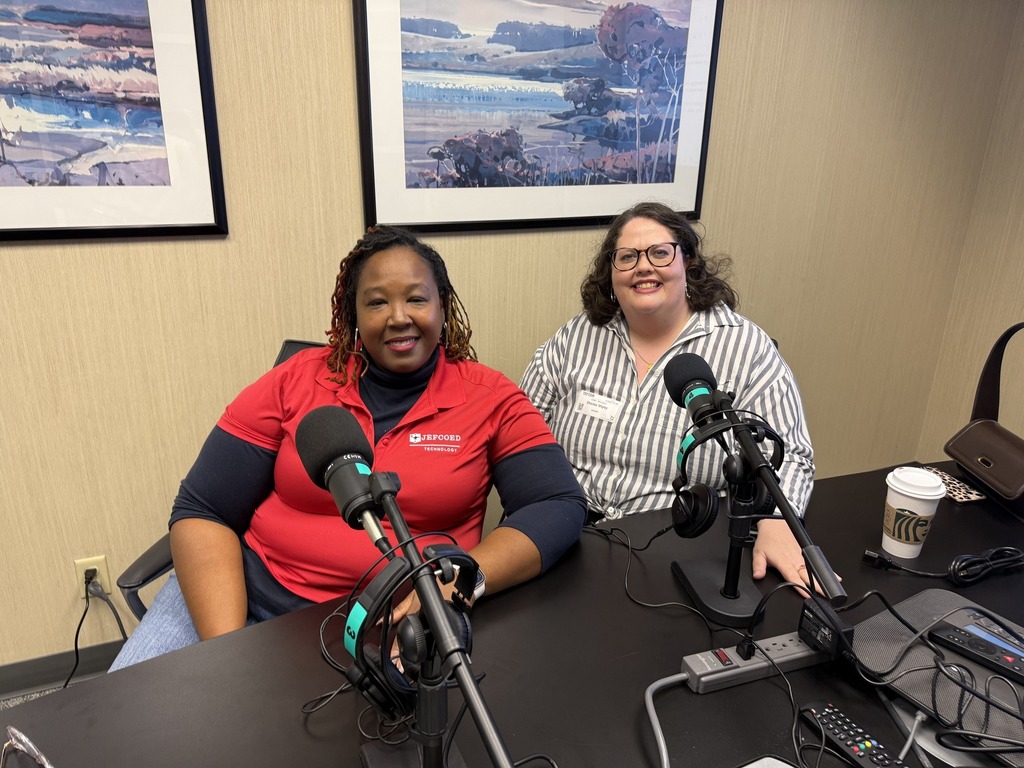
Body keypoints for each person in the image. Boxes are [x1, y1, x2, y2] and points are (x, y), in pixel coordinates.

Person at [111, 225, 586, 670]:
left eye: (417, 299)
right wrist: (228, 652)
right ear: (352, 315)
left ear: (443, 305)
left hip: (397, 625)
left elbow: (557, 504)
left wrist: (458, 581)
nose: (399, 317)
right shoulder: (296, 380)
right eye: (377, 303)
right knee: (131, 731)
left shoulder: (489, 397)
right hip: (241, 605)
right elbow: (203, 508)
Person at [520, 201, 817, 590]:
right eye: (627, 257)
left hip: (675, 549)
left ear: (688, 262)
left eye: (660, 252)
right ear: (610, 274)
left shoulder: (745, 346)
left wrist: (778, 521)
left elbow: (792, 454)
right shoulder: (576, 337)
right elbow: (519, 432)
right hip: (571, 538)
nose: (644, 267)